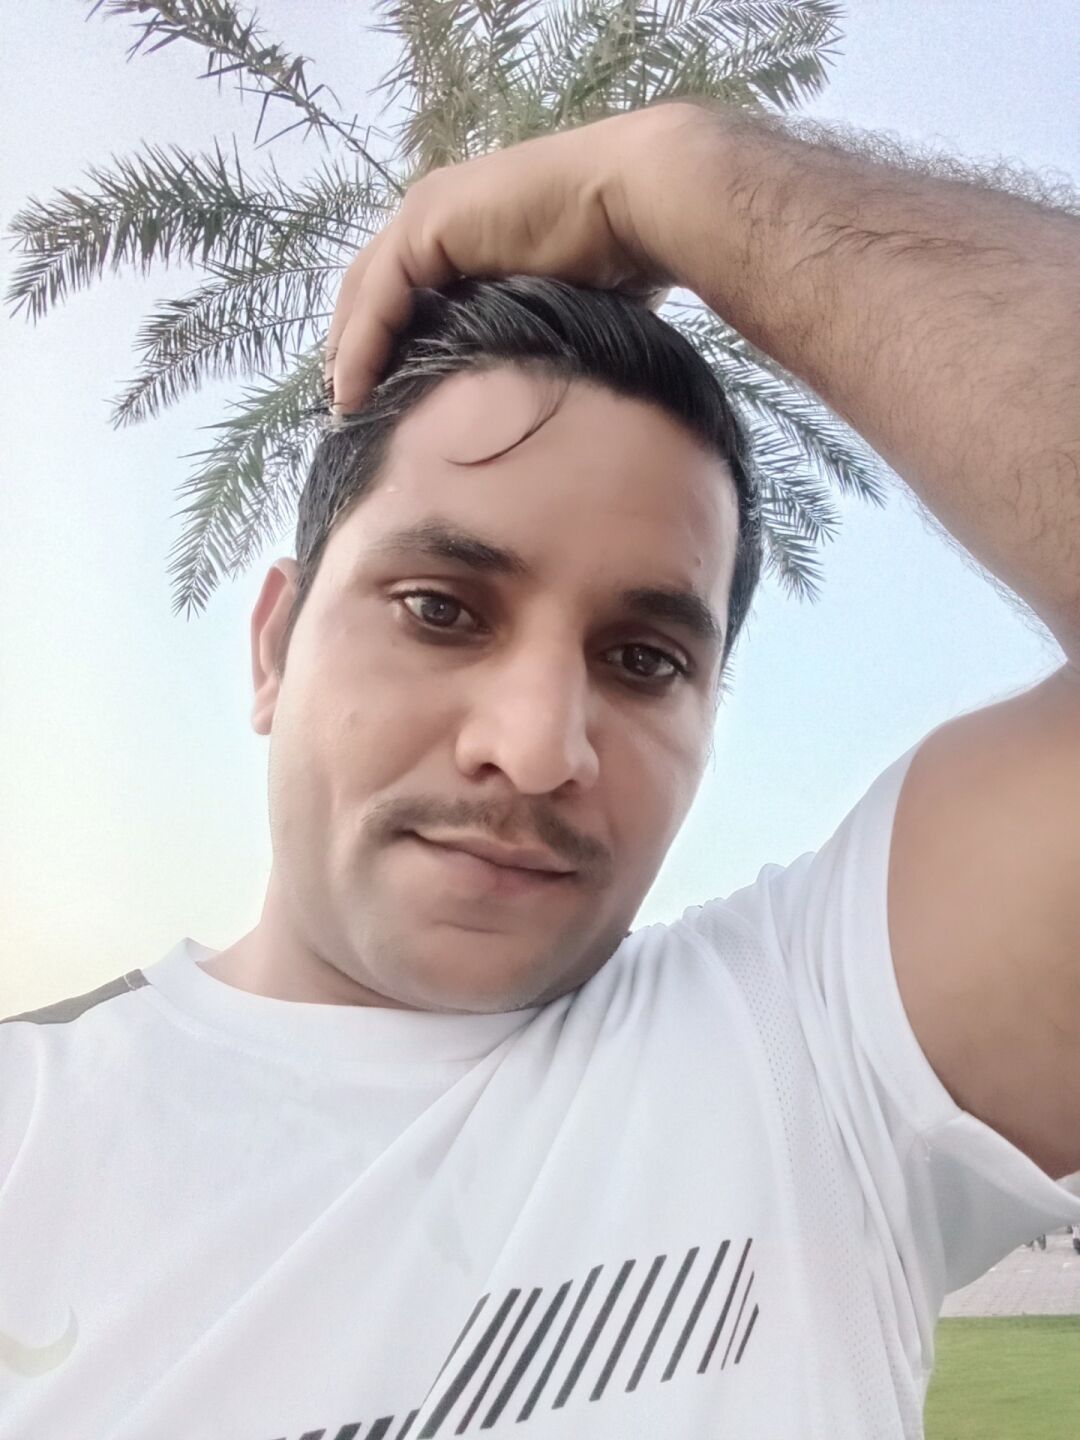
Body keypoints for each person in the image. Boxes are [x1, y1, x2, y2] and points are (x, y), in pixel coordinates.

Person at [3, 100, 1079, 1440]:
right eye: (440, 609)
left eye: (642, 660)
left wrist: (675, 175)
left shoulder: (818, 1054)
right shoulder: (28, 1138)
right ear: (274, 644)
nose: (535, 747)